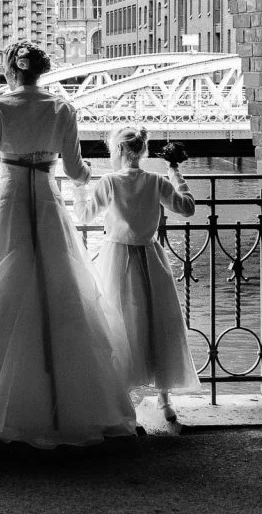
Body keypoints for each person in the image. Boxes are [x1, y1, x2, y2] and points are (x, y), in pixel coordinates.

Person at [0, 41, 137, 448]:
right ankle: (64, 403)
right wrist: (89, 170)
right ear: (43, 70)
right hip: (47, 203)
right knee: (61, 291)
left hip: (9, 203)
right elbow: (76, 172)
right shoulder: (62, 109)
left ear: (12, 69)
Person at [72, 127, 201, 428]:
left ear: (117, 151)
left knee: (120, 325)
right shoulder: (156, 181)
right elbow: (187, 208)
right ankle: (165, 397)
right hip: (151, 257)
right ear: (143, 151)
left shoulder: (110, 182)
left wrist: (79, 185)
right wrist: (175, 171)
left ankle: (125, 399)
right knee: (158, 324)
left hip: (117, 259)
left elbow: (84, 216)